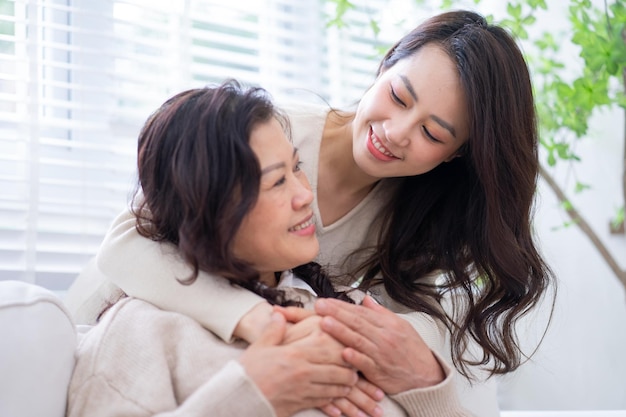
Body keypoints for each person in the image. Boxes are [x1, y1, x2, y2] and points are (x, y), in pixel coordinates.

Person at [66, 9, 554, 417]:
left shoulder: (409, 226)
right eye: (399, 96)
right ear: (384, 66)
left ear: (456, 155)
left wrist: (419, 367)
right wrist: (256, 321)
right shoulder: (268, 133)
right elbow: (128, 243)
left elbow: (412, 328)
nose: (397, 131)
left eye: (433, 134)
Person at [67, 82, 472, 417]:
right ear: (207, 209)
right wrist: (250, 393)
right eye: (277, 182)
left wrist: (425, 384)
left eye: (297, 167)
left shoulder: (340, 310)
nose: (305, 196)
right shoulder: (144, 331)